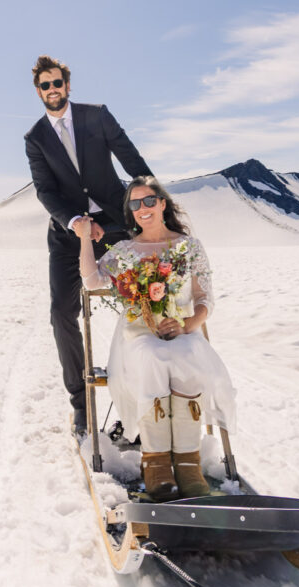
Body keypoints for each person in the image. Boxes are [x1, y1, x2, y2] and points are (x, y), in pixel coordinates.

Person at [77, 175, 236, 501]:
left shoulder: (188, 247)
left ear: (163, 203)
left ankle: (189, 466)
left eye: (149, 200)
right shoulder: (122, 249)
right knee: (152, 356)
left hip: (182, 328)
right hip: (138, 332)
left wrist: (189, 323)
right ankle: (158, 465)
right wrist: (83, 239)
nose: (143, 208)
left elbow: (205, 299)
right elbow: (92, 281)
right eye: (135, 204)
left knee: (189, 355)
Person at [25, 55, 153, 434]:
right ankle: (82, 404)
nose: (52, 90)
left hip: (115, 224)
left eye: (57, 82)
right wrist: (76, 221)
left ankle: (150, 386)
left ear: (68, 85)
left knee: (147, 296)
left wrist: (152, 202)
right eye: (45, 85)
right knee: (61, 313)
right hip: (68, 235)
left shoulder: (96, 116)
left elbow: (132, 159)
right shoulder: (35, 139)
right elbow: (45, 190)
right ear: (38, 92)